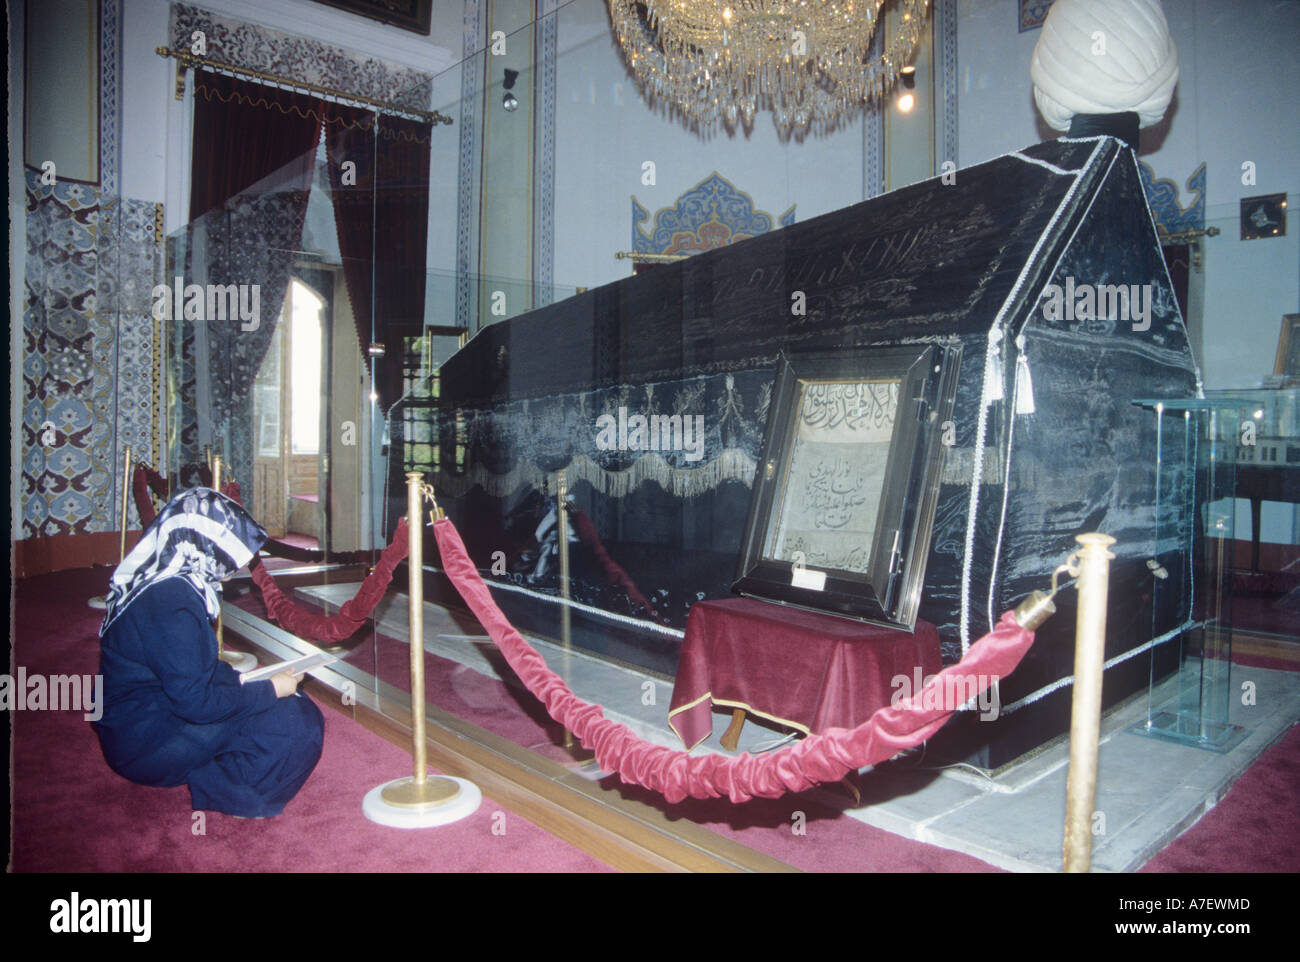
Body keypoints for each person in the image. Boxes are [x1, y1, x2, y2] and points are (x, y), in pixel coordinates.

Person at [94, 487, 324, 818]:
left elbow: (187, 672)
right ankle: (227, 790)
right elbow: (196, 702)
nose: (240, 563)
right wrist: (270, 689)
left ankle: (217, 766)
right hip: (146, 747)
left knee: (285, 705)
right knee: (294, 720)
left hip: (139, 728)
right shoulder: (173, 603)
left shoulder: (167, 584)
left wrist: (252, 683)